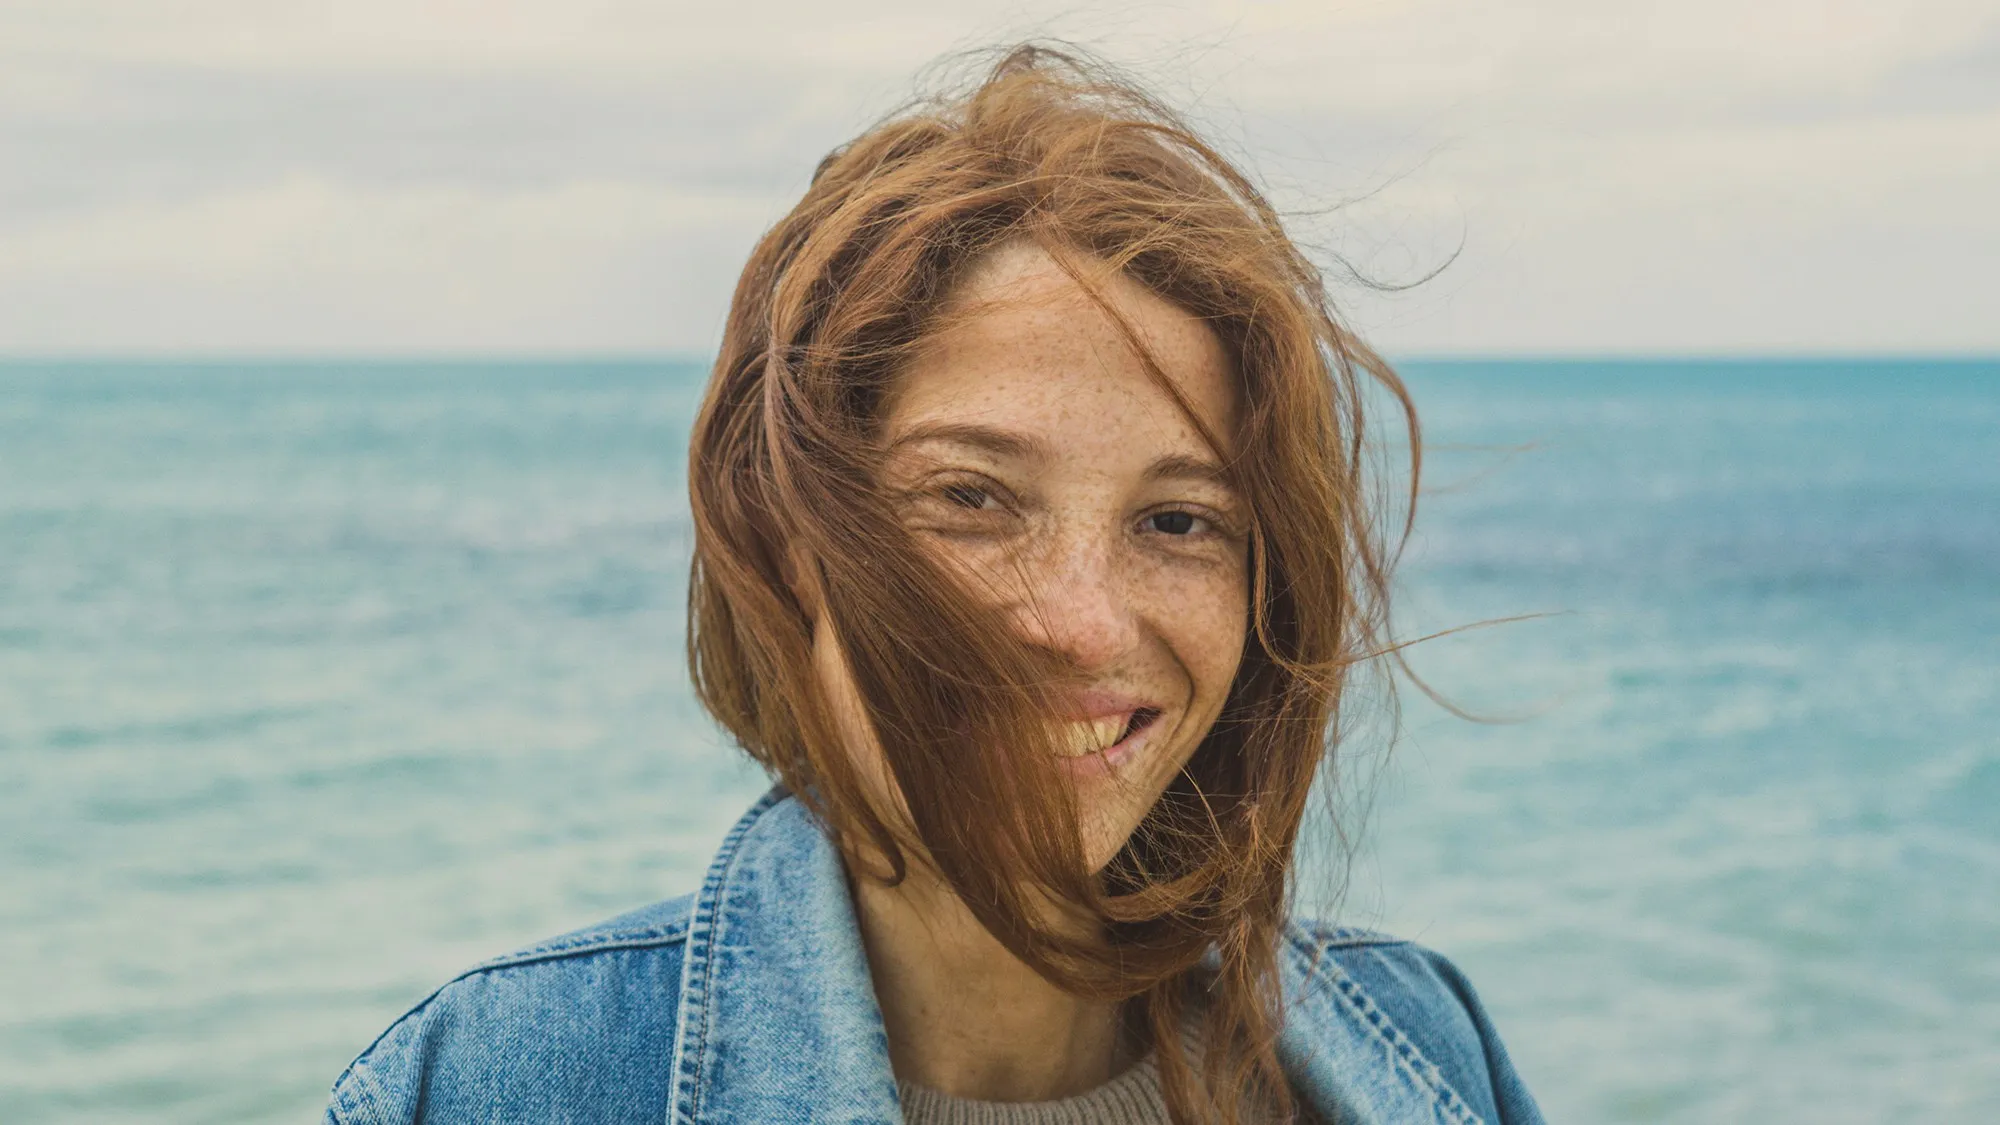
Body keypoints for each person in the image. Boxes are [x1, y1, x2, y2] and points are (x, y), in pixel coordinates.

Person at [324, 44, 1544, 1125]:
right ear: (786, 538)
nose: (1079, 623)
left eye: (1177, 521)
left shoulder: (1422, 1049)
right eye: (971, 499)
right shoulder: (489, 1089)